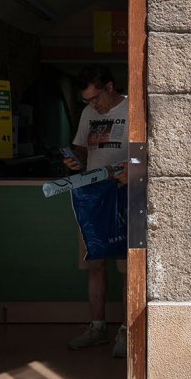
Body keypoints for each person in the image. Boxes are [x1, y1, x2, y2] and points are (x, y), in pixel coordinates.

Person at [64, 64, 129, 357]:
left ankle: (128, 332)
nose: (93, 105)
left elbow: (152, 150)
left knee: (130, 267)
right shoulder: (89, 114)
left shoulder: (132, 108)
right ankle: (97, 327)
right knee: (95, 262)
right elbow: (80, 148)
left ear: (110, 87)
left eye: (96, 98)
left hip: (124, 193)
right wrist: (74, 162)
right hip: (93, 193)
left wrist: (135, 171)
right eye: (88, 101)